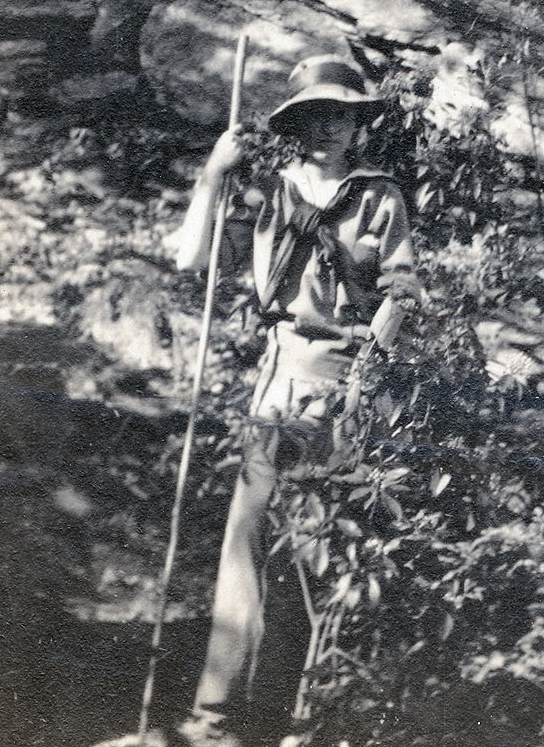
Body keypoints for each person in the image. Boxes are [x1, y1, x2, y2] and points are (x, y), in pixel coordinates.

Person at [173, 55, 421, 747]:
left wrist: (365, 374)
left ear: (356, 125)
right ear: (295, 125)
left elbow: (402, 291)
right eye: (313, 115)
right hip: (279, 379)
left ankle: (299, 717)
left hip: (344, 386)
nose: (328, 127)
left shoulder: (378, 198)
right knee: (246, 542)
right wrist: (214, 173)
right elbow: (195, 258)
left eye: (340, 115)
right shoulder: (269, 193)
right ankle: (217, 714)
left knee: (318, 550)